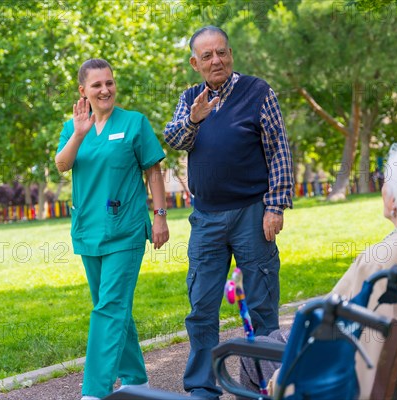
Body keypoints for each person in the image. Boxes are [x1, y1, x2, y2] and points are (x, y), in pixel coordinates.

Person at [240, 138, 397, 399]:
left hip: (366, 383)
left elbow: (327, 335)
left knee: (250, 350)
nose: (382, 187)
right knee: (276, 337)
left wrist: (279, 382)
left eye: (387, 180)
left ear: (396, 201)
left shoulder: (383, 259)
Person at [163, 26, 294, 399]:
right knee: (201, 306)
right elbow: (173, 138)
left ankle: (269, 383)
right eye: (207, 56)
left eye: (221, 53)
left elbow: (279, 150)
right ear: (195, 63)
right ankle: (203, 386)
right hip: (206, 218)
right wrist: (194, 118)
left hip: (253, 213)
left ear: (231, 54)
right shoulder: (191, 98)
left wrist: (275, 205)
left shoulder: (258, 91)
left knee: (261, 303)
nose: (216, 60)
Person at [55, 58, 169, 400]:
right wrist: (78, 134)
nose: (105, 90)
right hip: (88, 229)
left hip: (127, 230)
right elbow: (62, 164)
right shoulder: (72, 127)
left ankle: (94, 390)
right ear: (83, 91)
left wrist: (160, 215)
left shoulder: (135, 123)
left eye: (109, 82)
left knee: (108, 308)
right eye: (96, 85)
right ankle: (135, 379)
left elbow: (153, 172)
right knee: (112, 306)